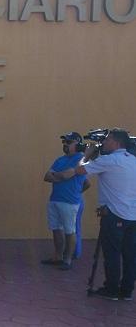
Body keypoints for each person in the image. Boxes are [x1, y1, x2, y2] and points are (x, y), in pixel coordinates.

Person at [75, 128, 136, 301]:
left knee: (112, 253)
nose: (104, 143)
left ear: (116, 143)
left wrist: (86, 155)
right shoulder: (132, 160)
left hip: (114, 215)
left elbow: (80, 170)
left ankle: (111, 289)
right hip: (133, 216)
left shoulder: (110, 160)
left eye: (107, 140)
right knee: (130, 254)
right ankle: (127, 291)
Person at [40, 132, 90, 270]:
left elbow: (84, 182)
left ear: (77, 144)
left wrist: (61, 176)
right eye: (64, 142)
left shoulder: (82, 159)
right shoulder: (59, 160)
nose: (65, 145)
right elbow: (47, 176)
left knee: (69, 231)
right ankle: (58, 256)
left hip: (70, 202)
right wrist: (61, 176)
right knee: (56, 229)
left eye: (68, 142)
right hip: (55, 199)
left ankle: (67, 259)